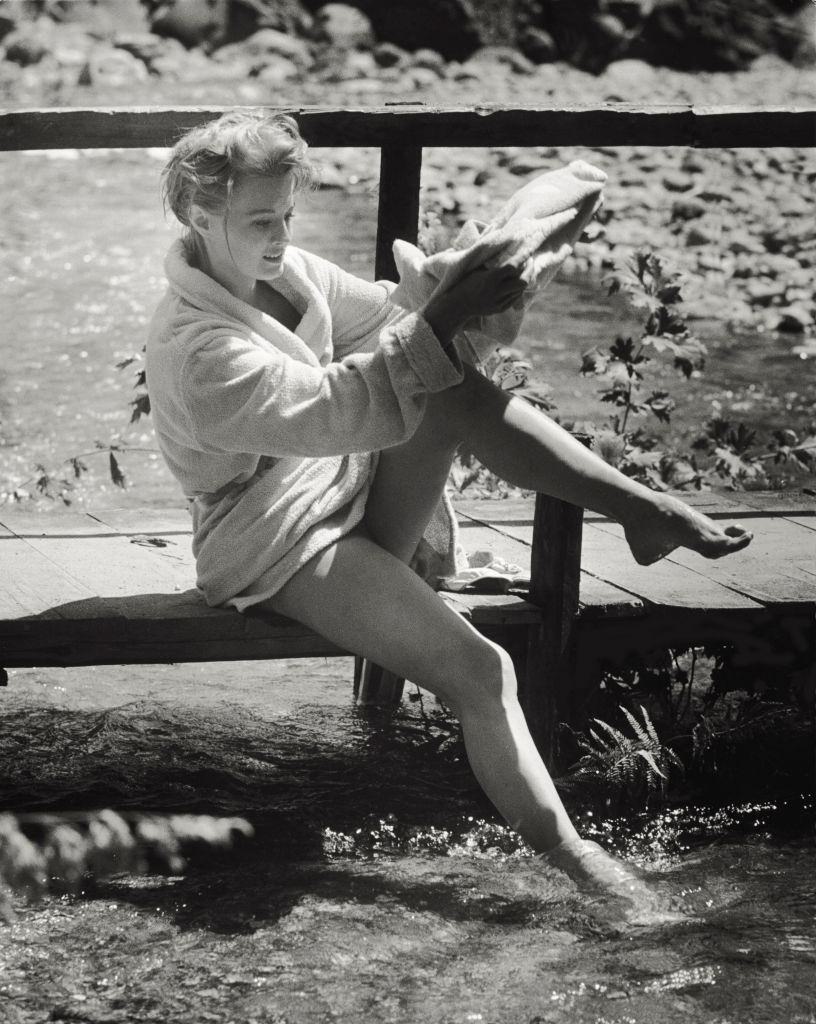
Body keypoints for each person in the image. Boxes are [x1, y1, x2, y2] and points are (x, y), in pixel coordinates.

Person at [146, 110, 752, 893]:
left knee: (448, 387)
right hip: (274, 540)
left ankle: (638, 508)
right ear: (199, 215)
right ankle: (582, 867)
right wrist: (442, 312)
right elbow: (337, 408)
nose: (280, 235)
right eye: (260, 219)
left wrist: (462, 280)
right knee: (481, 670)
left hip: (341, 492)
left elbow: (400, 328)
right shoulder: (196, 349)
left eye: (288, 215)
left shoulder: (290, 276)